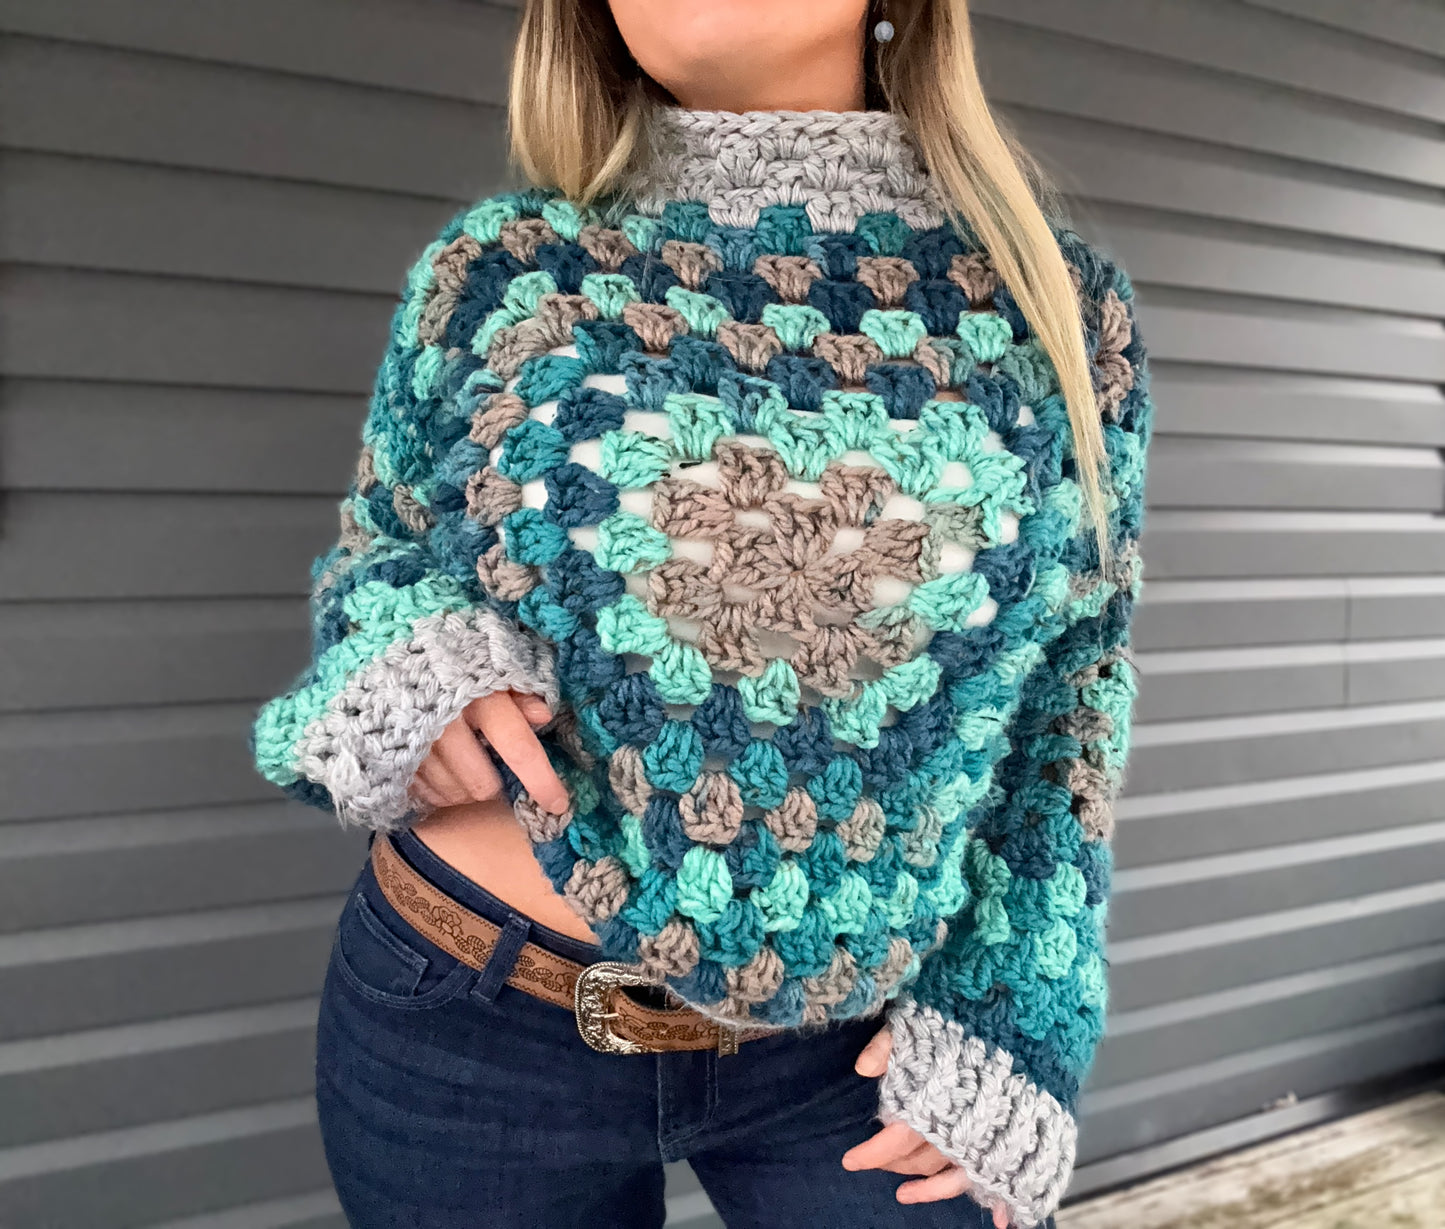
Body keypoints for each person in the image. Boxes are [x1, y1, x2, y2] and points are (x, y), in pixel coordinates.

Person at [247, 1, 1153, 1225]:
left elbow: (1072, 693)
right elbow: (384, 557)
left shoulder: (1056, 309)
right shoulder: (503, 270)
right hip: (465, 1012)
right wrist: (420, 665)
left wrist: (1017, 1007)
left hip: (855, 1052)